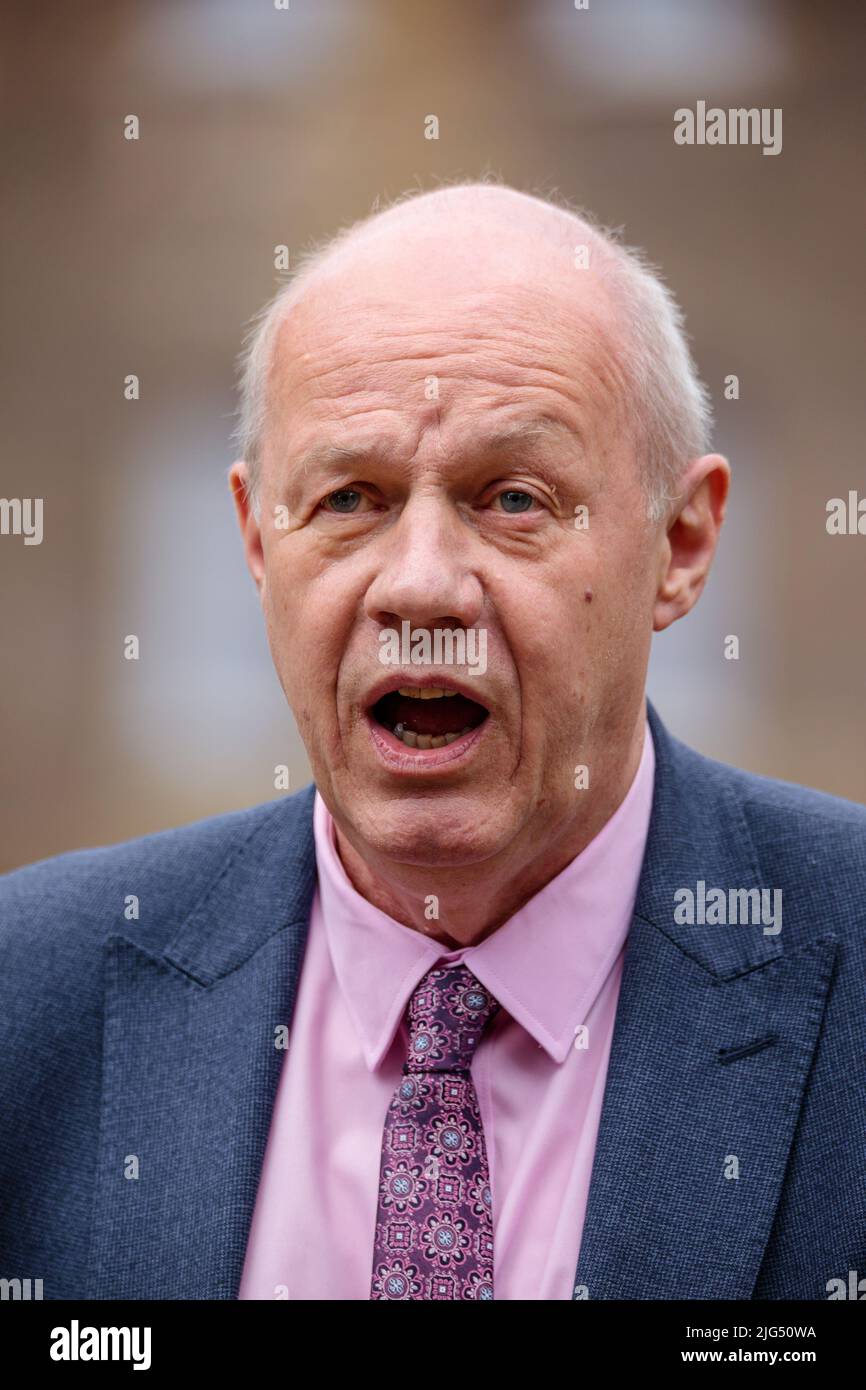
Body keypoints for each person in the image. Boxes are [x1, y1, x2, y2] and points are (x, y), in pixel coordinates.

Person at [1, 183, 863, 1301]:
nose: (417, 587)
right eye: (350, 498)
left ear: (681, 542)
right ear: (258, 541)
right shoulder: (31, 994)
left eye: (510, 498)